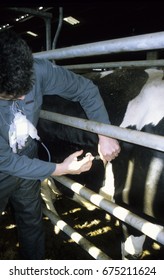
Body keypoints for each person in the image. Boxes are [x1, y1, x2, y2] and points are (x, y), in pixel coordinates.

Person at [0, 30, 120, 259]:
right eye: (11, 95)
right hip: (3, 167)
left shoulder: (38, 69)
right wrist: (61, 169)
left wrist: (105, 132)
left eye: (27, 88)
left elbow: (85, 89)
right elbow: (5, 161)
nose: (24, 98)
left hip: (29, 157)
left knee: (31, 219)